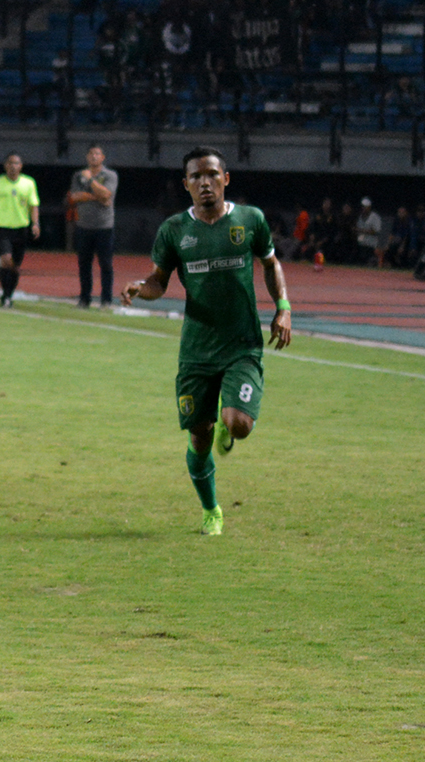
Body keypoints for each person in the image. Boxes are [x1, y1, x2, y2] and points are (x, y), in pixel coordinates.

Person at [122, 146, 291, 536]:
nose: (205, 183)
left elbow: (271, 263)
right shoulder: (174, 231)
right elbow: (158, 282)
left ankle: (227, 423)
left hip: (242, 344)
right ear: (186, 185)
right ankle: (211, 509)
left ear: (225, 179)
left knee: (239, 424)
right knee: (198, 438)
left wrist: (283, 306)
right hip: (197, 349)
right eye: (196, 177)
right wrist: (139, 287)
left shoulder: (250, 220)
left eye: (212, 174)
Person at [0, 153, 41, 308]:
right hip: (2, 228)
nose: (12, 166)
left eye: (16, 163)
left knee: (15, 266)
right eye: (9, 163)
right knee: (6, 260)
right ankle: (5, 295)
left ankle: (8, 295)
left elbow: (33, 205)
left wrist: (35, 224)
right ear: (5, 165)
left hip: (20, 229)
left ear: (20, 166)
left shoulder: (28, 183)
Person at [67, 144, 119, 308]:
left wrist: (90, 180)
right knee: (84, 264)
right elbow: (75, 197)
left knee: (105, 264)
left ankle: (106, 299)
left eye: (97, 153)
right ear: (86, 156)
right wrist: (97, 196)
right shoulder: (78, 175)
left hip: (104, 226)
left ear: (102, 157)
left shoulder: (110, 175)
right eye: (90, 153)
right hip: (83, 225)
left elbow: (107, 194)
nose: (94, 156)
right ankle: (84, 298)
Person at [353, 197, 383, 267]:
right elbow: (357, 229)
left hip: (371, 244)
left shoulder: (375, 217)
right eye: (362, 207)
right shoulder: (360, 217)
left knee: (367, 259)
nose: (363, 208)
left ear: (369, 207)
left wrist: (362, 230)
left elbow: (376, 231)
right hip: (361, 243)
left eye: (365, 207)